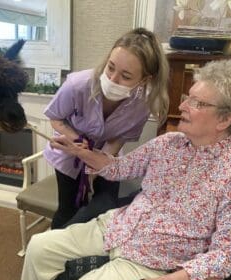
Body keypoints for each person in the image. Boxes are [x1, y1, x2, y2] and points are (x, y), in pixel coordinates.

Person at [18, 59, 231, 280]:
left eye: (197, 102)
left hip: (156, 259)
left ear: (225, 119)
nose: (182, 107)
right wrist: (82, 152)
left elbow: (226, 256)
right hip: (118, 227)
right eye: (187, 97)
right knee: (38, 247)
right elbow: (118, 168)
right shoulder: (169, 143)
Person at [43, 27, 169, 229]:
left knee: (105, 207)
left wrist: (96, 165)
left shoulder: (143, 104)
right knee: (68, 210)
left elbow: (118, 139)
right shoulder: (77, 85)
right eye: (110, 67)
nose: (112, 79)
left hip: (108, 155)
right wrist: (78, 144)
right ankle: (55, 249)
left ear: (145, 80)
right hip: (69, 156)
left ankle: (86, 252)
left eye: (126, 76)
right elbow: (55, 119)